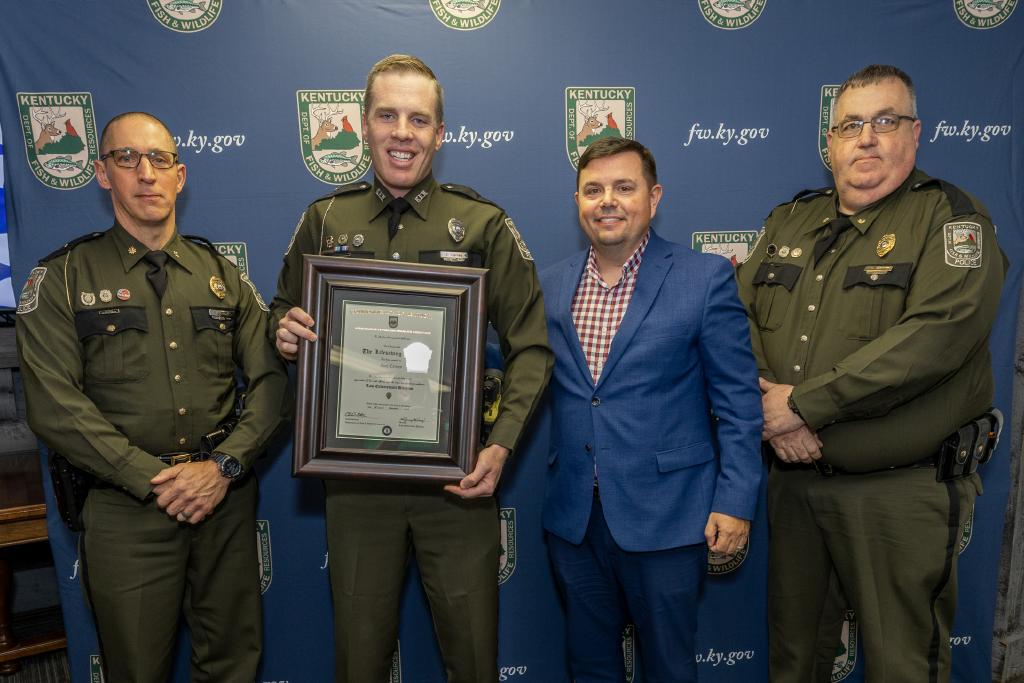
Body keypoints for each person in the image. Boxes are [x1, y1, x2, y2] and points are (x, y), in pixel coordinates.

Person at [271, 54, 552, 682]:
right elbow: (280, 312)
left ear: (440, 133)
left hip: (456, 485)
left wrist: (501, 446)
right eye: (388, 115)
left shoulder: (483, 223)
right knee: (359, 660)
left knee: (474, 658)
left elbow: (532, 347)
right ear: (364, 125)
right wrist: (283, 331)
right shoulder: (325, 220)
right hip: (355, 483)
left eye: (419, 119)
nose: (403, 132)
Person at [735, 65, 1007, 682]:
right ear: (829, 143)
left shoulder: (952, 221)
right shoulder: (789, 221)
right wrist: (771, 412)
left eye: (886, 121)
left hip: (896, 493)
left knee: (902, 667)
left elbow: (935, 337)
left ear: (915, 134)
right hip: (794, 484)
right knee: (794, 662)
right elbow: (733, 319)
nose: (866, 138)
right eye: (850, 125)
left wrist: (801, 405)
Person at [16, 112, 288, 682]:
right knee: (135, 669)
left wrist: (222, 467)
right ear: (101, 173)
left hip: (223, 502)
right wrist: (151, 478)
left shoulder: (223, 275)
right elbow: (53, 405)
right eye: (126, 158)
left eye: (159, 159)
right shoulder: (62, 277)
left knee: (234, 663)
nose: (146, 173)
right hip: (126, 509)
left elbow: (270, 383)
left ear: (180, 176)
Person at [540, 137, 763, 682]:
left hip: (669, 518)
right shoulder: (548, 285)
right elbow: (505, 362)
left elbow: (738, 404)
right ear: (577, 201)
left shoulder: (705, 278)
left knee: (668, 668)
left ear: (653, 196)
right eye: (593, 190)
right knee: (590, 668)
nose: (607, 200)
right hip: (575, 519)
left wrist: (735, 501)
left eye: (624, 187)